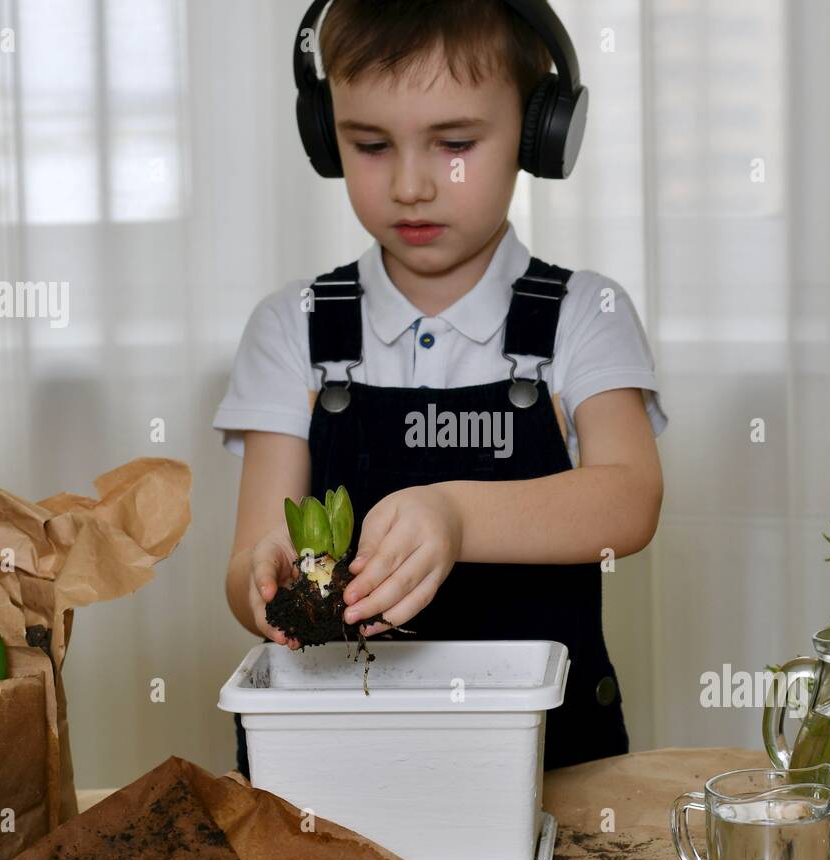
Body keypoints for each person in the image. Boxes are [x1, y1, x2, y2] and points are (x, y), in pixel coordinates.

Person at [215, 0, 667, 778]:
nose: (413, 185)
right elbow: (245, 565)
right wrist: (267, 580)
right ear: (327, 139)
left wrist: (455, 515)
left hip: (549, 766)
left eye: (455, 143)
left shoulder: (583, 315)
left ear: (537, 132)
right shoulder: (292, 328)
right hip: (337, 766)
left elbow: (628, 502)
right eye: (370, 145)